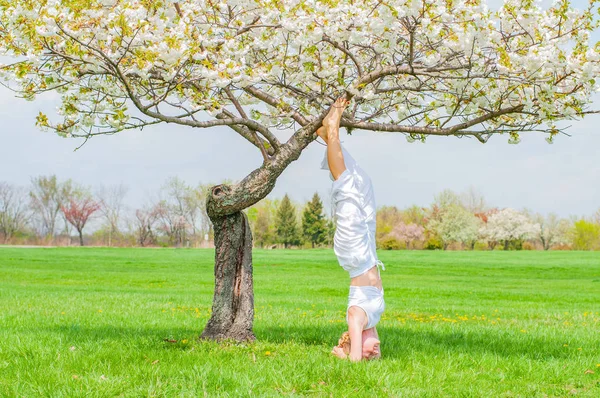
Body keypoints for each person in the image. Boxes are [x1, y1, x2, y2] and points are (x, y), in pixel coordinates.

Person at [316, 97, 385, 361]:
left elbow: (355, 360)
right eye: (376, 355)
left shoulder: (356, 317)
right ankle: (326, 136)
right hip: (367, 248)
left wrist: (345, 355)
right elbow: (370, 350)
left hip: (354, 253)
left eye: (370, 354)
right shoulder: (372, 322)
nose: (375, 352)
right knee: (361, 183)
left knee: (346, 186)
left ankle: (332, 127)